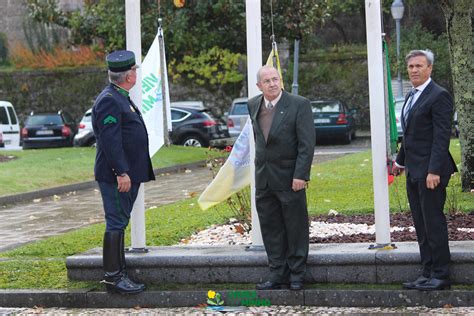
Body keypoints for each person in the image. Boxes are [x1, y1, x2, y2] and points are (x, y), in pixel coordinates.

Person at [392, 49, 457, 291]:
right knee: (420, 223)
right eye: (411, 67)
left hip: (432, 172)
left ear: (429, 68)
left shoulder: (439, 95)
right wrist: (400, 162)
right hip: (413, 170)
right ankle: (427, 271)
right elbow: (409, 135)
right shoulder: (411, 96)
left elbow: (441, 137)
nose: (415, 70)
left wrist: (434, 171)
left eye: (419, 66)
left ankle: (441, 275)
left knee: (433, 223)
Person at [92, 50, 155, 294]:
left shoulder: (119, 96)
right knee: (116, 222)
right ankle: (113, 278)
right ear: (129, 76)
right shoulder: (110, 99)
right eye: (135, 71)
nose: (136, 74)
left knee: (119, 221)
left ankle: (118, 272)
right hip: (116, 175)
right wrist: (121, 172)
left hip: (125, 173)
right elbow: (110, 140)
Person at [247, 65, 315, 291]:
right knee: (270, 227)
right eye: (267, 81)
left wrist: (301, 175)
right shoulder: (253, 105)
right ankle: (277, 273)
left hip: (290, 179)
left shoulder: (299, 104)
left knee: (295, 227)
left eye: (275, 79)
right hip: (264, 179)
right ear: (259, 86)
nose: (272, 83)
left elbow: (307, 144)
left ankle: (297, 274)